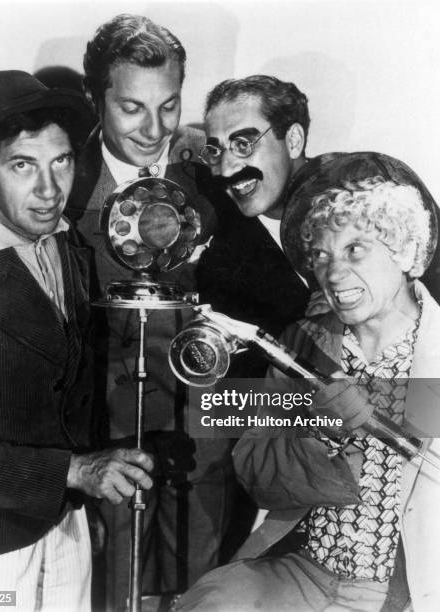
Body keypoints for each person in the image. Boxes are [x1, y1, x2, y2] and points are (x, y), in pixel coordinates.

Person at [174, 154, 440, 611]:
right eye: (321, 254)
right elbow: (257, 475)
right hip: (304, 571)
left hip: (410, 589)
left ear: (405, 247)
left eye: (356, 248)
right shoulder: (304, 343)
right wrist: (322, 433)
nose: (334, 274)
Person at [0, 70, 154, 611]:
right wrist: (78, 470)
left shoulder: (66, 246)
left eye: (61, 161)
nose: (49, 190)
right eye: (22, 165)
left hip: (66, 523)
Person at [65, 14, 234, 610]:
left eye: (169, 106)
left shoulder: (208, 181)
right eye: (133, 107)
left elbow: (278, 296)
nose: (153, 127)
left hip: (199, 445)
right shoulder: (59, 189)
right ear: (96, 98)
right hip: (105, 444)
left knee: (193, 594)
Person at [196, 75, 312, 377]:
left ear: (293, 140)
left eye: (243, 144)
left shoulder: (368, 198)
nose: (226, 168)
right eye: (215, 150)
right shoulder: (221, 261)